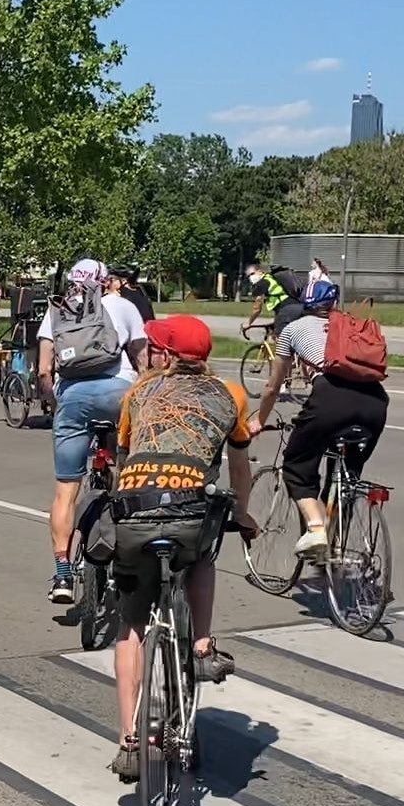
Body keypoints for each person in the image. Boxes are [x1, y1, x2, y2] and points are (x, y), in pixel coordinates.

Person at [104, 314, 256, 782]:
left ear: (166, 356)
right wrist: (244, 513)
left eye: (153, 348)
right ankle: (203, 645)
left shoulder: (137, 394)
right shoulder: (230, 395)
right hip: (192, 517)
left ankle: (130, 740)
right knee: (202, 553)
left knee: (130, 624)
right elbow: (239, 467)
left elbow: (124, 462)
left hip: (136, 516)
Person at [249, 279, 389, 559]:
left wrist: (258, 420)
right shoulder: (351, 325)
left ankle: (316, 528)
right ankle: (336, 542)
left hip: (331, 398)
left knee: (296, 464)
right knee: (348, 476)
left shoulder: (292, 329)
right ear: (334, 304)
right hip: (376, 401)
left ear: (305, 306)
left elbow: (272, 387)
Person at [40, 259, 147, 604]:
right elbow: (144, 363)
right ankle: (129, 552)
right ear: (106, 282)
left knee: (65, 492)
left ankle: (61, 575)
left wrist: (59, 408)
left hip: (73, 398)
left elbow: (44, 371)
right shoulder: (124, 306)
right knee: (128, 471)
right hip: (119, 395)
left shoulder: (57, 310)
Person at [242, 262, 303, 336]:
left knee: (280, 339)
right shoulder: (271, 278)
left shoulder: (263, 283)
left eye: (252, 274)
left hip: (287, 310)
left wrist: (249, 323)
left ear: (259, 271)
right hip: (295, 306)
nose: (251, 277)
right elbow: (278, 303)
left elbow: (257, 308)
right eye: (248, 276)